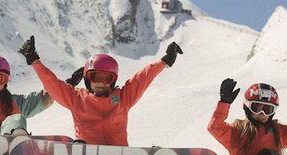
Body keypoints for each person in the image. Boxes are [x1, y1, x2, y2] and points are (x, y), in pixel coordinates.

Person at [16, 36, 182, 146]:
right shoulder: (77, 98)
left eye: (107, 78)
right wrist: (34, 61)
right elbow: (53, 85)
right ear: (88, 80)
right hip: (87, 154)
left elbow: (142, 78)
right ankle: (77, 154)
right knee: (78, 146)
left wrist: (164, 62)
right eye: (96, 77)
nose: (101, 83)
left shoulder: (123, 98)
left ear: (113, 81)